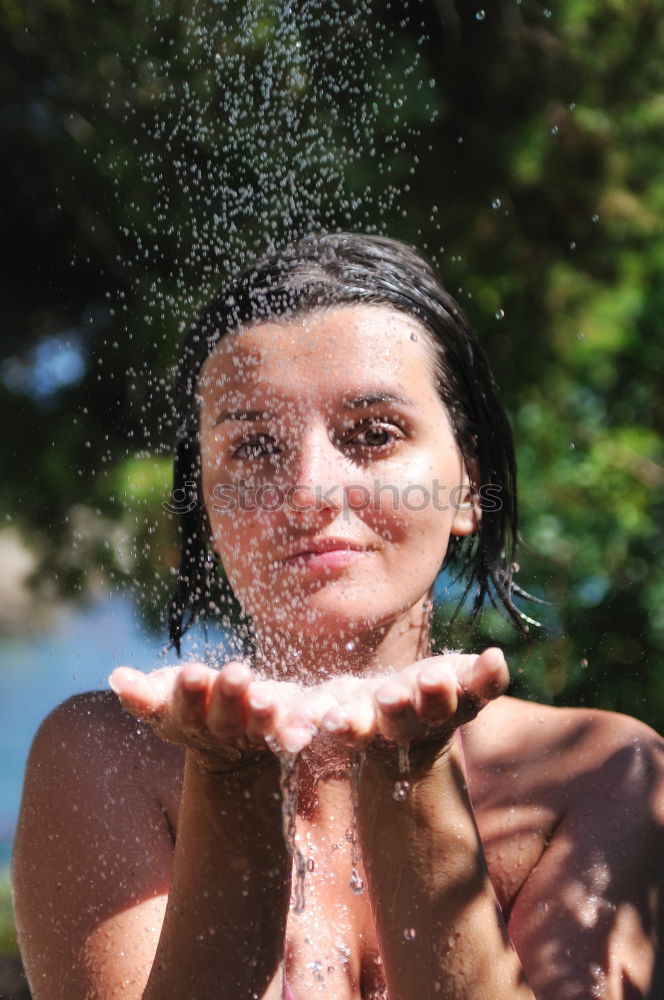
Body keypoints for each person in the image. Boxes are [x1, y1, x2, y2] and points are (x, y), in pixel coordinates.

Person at [12, 233, 664, 1000]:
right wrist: (231, 784)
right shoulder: (104, 759)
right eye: (253, 446)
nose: (309, 488)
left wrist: (411, 776)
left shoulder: (604, 771)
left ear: (467, 487)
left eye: (373, 433)